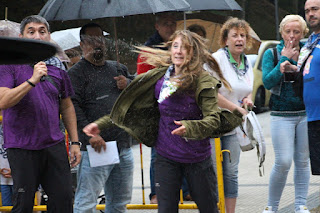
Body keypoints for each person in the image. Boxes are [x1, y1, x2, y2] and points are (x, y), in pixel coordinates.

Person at [83, 30, 243, 213]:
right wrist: (100, 125)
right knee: (166, 209)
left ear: (193, 53)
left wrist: (189, 127)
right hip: (166, 156)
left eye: (185, 48)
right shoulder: (159, 79)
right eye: (175, 46)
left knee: (208, 208)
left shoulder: (203, 81)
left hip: (197, 159)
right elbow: (128, 109)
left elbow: (213, 120)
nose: (179, 51)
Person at [0, 15, 81, 213]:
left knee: (63, 202)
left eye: (42, 31)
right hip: (22, 147)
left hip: (54, 145)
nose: (37, 36)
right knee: (24, 204)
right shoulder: (8, 65)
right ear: (21, 37)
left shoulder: (57, 68)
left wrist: (76, 142)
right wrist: (32, 80)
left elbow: (67, 106)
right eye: (31, 31)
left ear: (49, 37)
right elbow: (3, 100)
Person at [68, 23, 135, 213]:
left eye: (100, 39)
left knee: (119, 203)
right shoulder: (75, 74)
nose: (97, 44)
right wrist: (89, 135)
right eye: (91, 40)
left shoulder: (118, 68)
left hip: (122, 145)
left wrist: (128, 83)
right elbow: (73, 108)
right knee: (86, 203)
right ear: (82, 45)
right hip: (96, 147)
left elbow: (137, 93)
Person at [136, 12, 191, 203]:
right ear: (157, 26)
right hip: (157, 108)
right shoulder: (148, 51)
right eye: (166, 24)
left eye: (173, 24)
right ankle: (156, 192)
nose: (170, 27)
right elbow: (142, 81)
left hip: (181, 107)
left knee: (183, 146)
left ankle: (184, 189)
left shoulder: (181, 47)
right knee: (158, 153)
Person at [261, 15, 311, 213]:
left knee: (302, 161)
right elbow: (267, 82)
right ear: (281, 32)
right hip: (281, 114)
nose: (292, 36)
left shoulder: (309, 51)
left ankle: (300, 204)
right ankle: (271, 206)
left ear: (303, 33)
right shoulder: (271, 53)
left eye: (296, 32)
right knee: (283, 161)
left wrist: (298, 66)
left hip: (306, 112)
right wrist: (283, 62)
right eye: (288, 31)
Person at [205, 17, 254, 213]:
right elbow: (209, 93)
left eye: (243, 35)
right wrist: (235, 108)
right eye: (235, 35)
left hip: (234, 124)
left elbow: (245, 88)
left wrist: (247, 100)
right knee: (214, 172)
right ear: (226, 39)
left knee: (231, 173)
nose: (239, 39)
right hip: (213, 123)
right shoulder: (216, 60)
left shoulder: (246, 61)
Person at [280, 0, 320, 204]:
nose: (310, 14)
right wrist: (293, 70)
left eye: (315, 9)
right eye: (307, 11)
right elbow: (309, 73)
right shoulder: (312, 41)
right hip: (312, 115)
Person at [0, 110, 13, 207]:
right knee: (5, 207)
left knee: (26, 206)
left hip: (22, 176)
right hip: (2, 178)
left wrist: (17, 169)